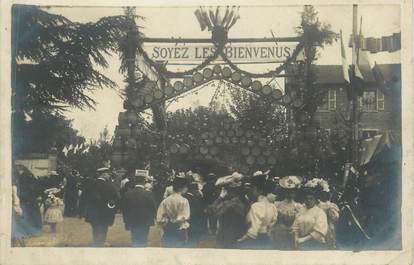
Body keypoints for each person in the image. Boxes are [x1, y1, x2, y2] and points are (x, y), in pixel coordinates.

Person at [237, 171, 278, 249]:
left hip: (257, 240)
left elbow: (253, 231)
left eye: (253, 189)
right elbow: (272, 224)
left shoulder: (256, 206)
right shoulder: (272, 206)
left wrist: (240, 240)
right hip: (267, 239)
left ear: (260, 191)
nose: (251, 191)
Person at [207, 172, 247, 249]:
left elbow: (210, 211)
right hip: (231, 237)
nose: (222, 191)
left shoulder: (230, 203)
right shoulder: (239, 202)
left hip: (227, 238)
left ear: (229, 190)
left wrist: (220, 198)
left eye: (224, 189)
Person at [83, 167, 120, 247]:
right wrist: (112, 207)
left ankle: (96, 242)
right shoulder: (109, 185)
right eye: (107, 174)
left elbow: (85, 196)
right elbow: (116, 198)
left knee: (95, 227)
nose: (109, 175)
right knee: (103, 227)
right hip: (105, 211)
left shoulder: (91, 184)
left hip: (93, 211)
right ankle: (101, 242)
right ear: (103, 174)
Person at [121, 171, 156, 247]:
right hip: (145, 221)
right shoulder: (149, 194)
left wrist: (126, 220)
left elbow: (124, 209)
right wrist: (152, 219)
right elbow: (153, 208)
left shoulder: (128, 194)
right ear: (144, 182)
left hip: (132, 220)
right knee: (144, 239)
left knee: (134, 239)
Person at [291, 180, 328, 250]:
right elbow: (295, 226)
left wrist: (303, 239)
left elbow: (319, 231)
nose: (308, 201)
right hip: (301, 243)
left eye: (311, 199)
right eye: (306, 199)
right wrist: (296, 238)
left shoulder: (320, 212)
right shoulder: (301, 211)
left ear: (315, 200)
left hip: (316, 244)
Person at [156, 175, 190, 248]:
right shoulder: (184, 201)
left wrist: (166, 222)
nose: (186, 189)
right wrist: (177, 220)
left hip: (168, 230)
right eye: (185, 187)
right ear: (181, 188)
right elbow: (185, 216)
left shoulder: (165, 201)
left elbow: (159, 218)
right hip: (180, 230)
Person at [272, 175, 304, 249]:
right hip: (280, 232)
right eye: (288, 192)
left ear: (295, 193)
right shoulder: (278, 205)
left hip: (294, 232)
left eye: (292, 192)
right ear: (284, 192)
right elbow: (274, 220)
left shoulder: (298, 206)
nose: (290, 194)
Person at [183, 181, 206, 247]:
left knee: (191, 236)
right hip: (194, 220)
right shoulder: (193, 198)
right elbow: (197, 209)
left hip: (190, 219)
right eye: (196, 189)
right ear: (193, 190)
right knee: (194, 238)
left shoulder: (186, 196)